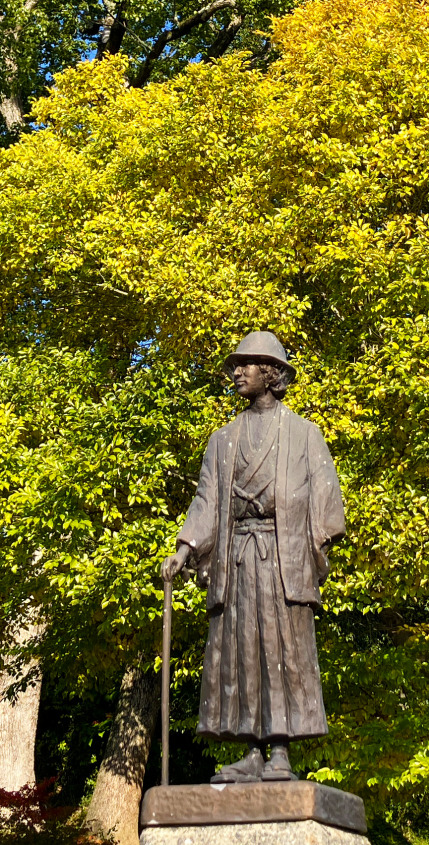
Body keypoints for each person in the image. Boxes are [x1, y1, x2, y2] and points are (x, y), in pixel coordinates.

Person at [161, 332, 346, 783]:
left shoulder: (304, 434)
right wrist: (184, 549)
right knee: (240, 650)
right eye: (236, 365)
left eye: (247, 364)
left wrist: (312, 546)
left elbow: (327, 500)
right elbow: (206, 500)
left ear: (272, 373)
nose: (237, 372)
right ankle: (250, 750)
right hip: (238, 560)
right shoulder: (222, 441)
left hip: (283, 560)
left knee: (281, 649)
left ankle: (280, 751)